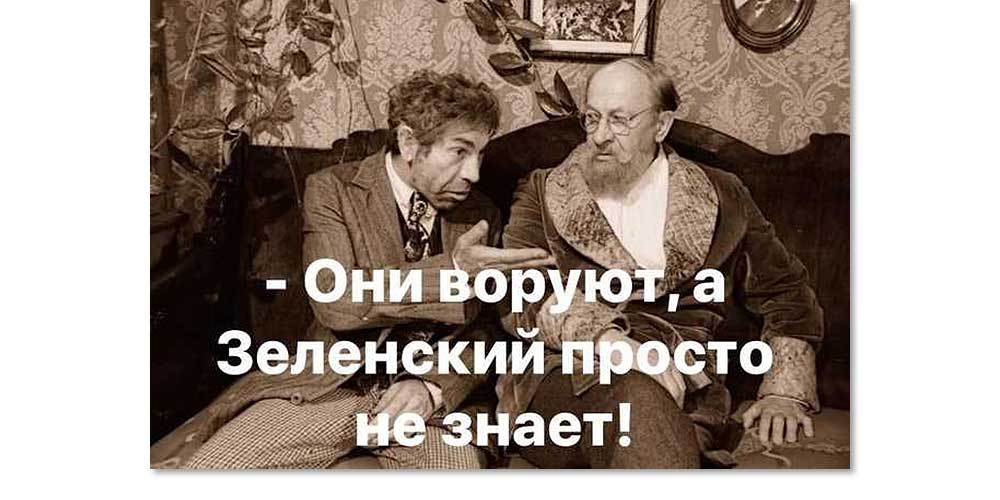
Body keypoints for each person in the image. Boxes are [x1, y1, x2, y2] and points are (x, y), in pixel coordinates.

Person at [150, 70, 552, 469]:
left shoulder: (481, 213)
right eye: (460, 152)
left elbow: (485, 328)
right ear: (409, 142)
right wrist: (453, 271)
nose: (473, 174)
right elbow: (335, 299)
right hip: (328, 387)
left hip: (429, 409)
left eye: (480, 154)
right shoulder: (332, 190)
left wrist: (431, 387)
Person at [497, 58, 823, 468]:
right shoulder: (544, 189)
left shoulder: (723, 192)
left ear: (662, 125)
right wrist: (609, 341)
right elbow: (520, 289)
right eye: (592, 118)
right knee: (636, 400)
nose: (600, 136)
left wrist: (784, 390)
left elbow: (785, 291)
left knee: (650, 422)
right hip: (564, 377)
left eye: (620, 120)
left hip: (685, 386)